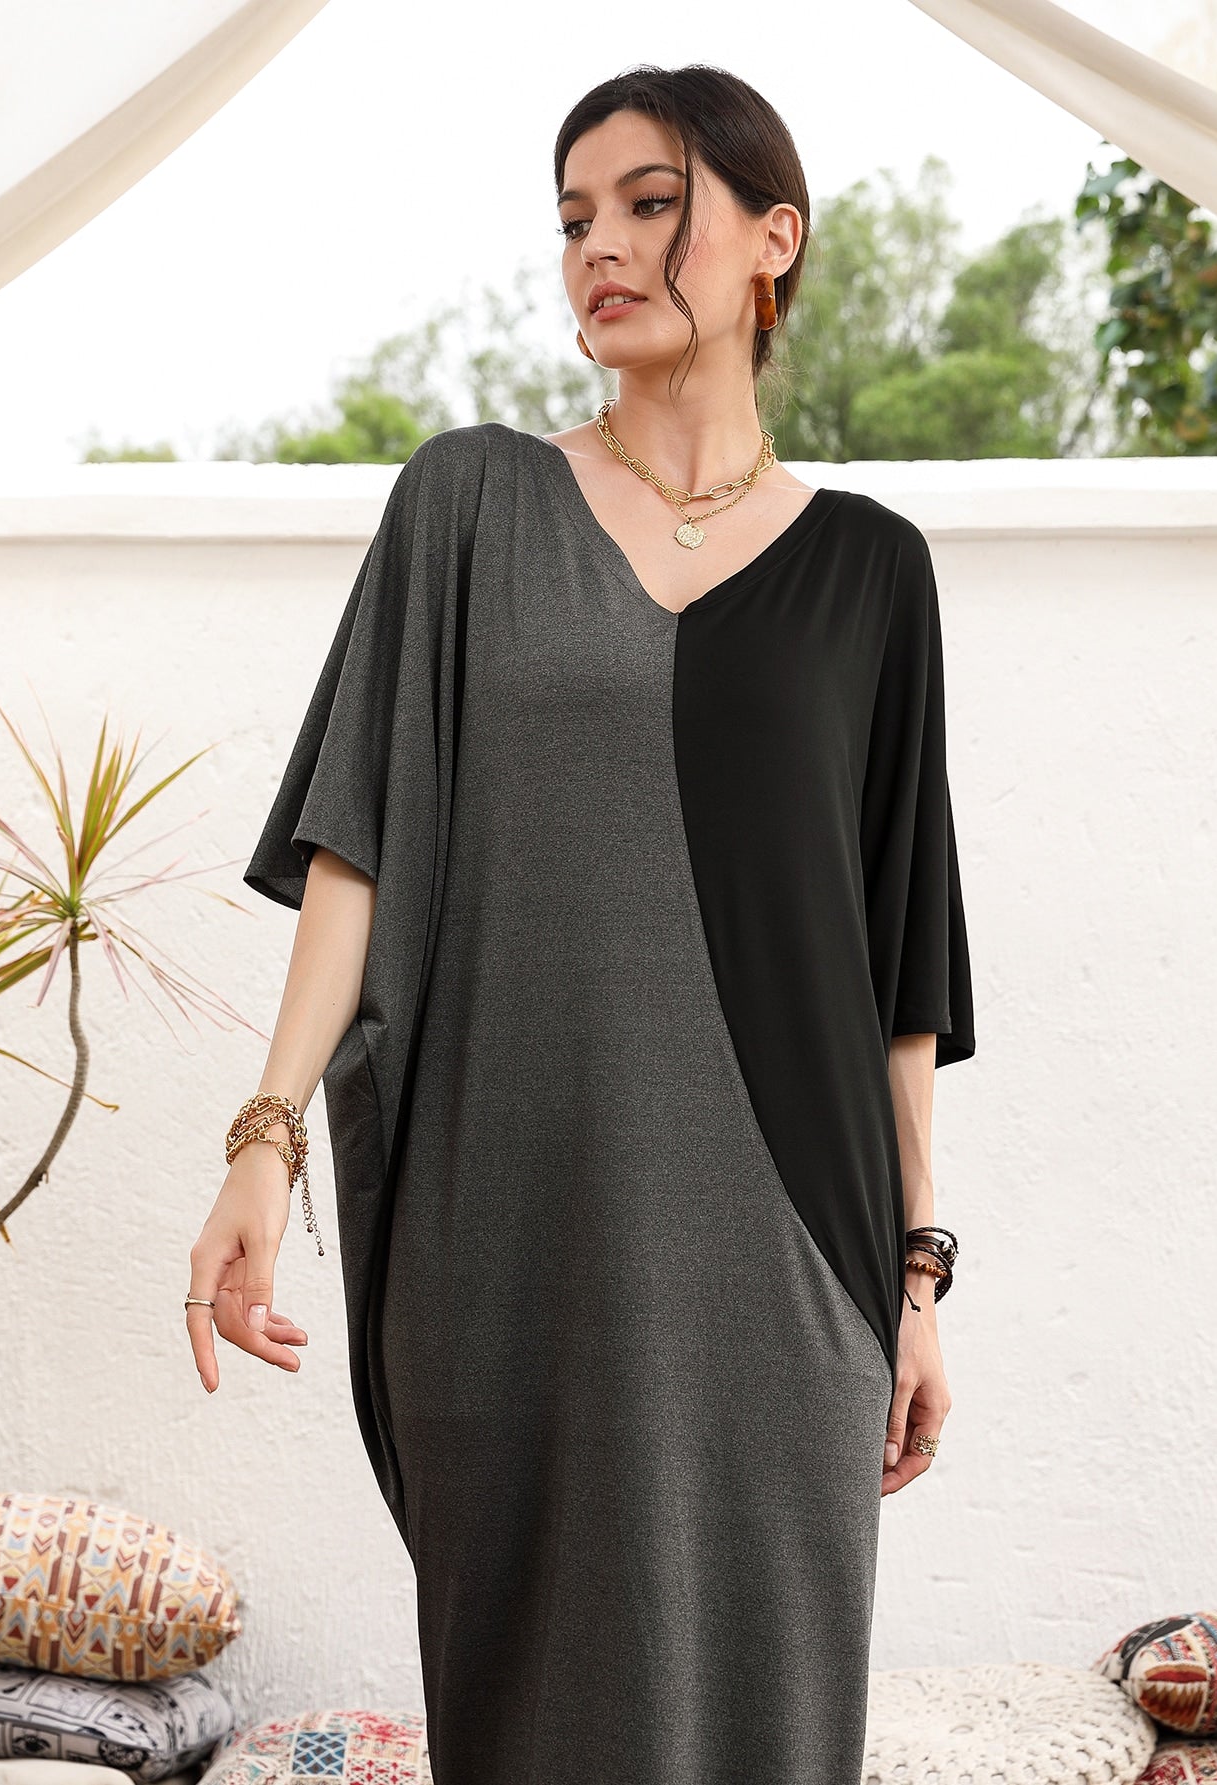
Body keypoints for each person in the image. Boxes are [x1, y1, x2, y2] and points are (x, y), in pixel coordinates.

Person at [186, 61, 975, 1785]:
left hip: (791, 1249)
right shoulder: (470, 503)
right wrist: (264, 1138)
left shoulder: (872, 570)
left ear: (774, 239)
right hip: (516, 1225)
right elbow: (359, 846)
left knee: (770, 1709)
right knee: (534, 1698)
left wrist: (917, 1276)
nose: (597, 248)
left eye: (648, 204)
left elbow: (898, 966)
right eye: (572, 219)